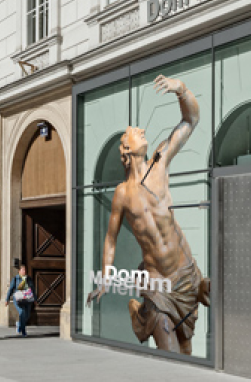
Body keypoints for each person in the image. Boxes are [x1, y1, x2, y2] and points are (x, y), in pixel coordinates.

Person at [86, 75, 211, 355]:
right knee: (170, 354)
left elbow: (190, 121)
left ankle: (138, 314)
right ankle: (144, 312)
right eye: (135, 132)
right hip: (157, 283)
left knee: (187, 351)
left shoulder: (160, 162)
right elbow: (110, 239)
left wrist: (182, 90)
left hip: (185, 275)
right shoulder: (122, 193)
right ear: (127, 149)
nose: (141, 130)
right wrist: (106, 278)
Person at [5, 265, 36, 337]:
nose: (24, 271)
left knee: (27, 315)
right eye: (22, 270)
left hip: (27, 299)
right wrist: (7, 299)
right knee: (22, 312)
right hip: (18, 299)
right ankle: (23, 331)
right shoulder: (15, 279)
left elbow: (33, 289)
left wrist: (35, 298)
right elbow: (10, 289)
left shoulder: (28, 279)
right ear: (19, 271)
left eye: (25, 270)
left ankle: (19, 324)